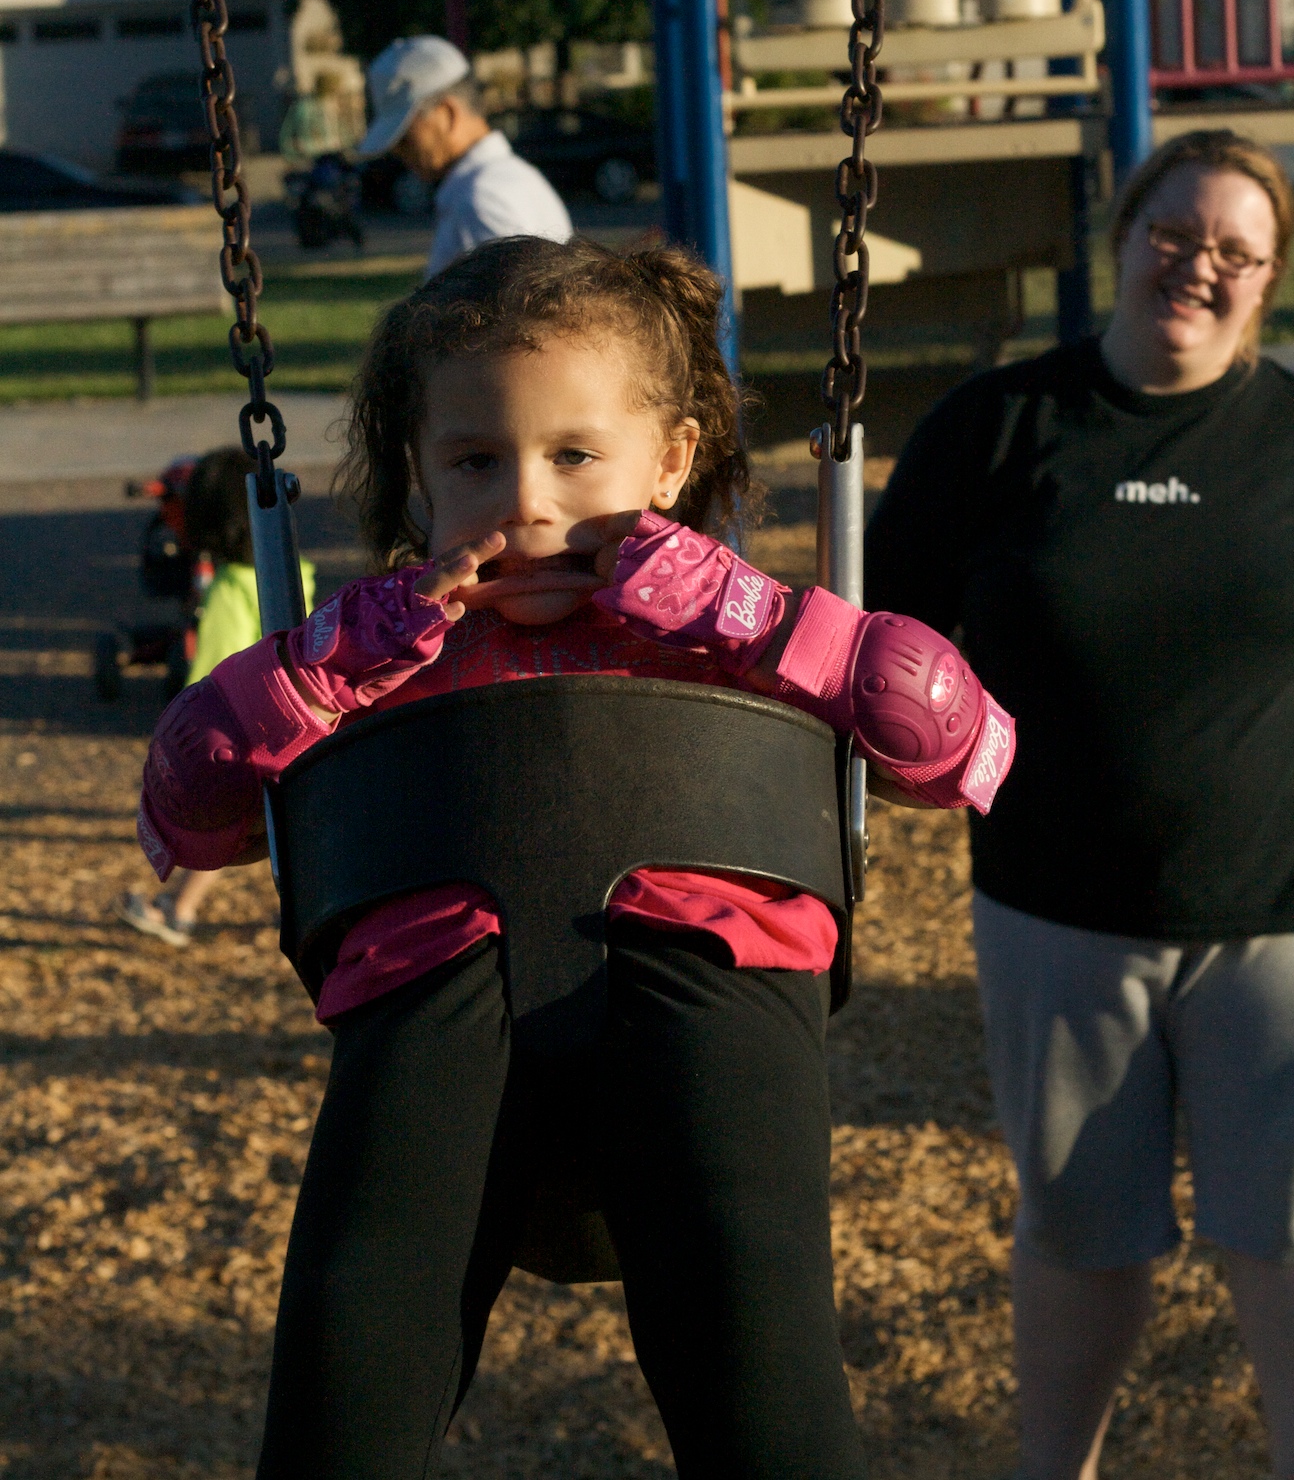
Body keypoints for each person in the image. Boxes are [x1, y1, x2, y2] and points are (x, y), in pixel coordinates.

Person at [133, 235, 1014, 1478]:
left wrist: (750, 615)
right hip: (435, 990)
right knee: (351, 1349)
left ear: (672, 459)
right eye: (476, 461)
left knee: (760, 1354)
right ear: (421, 478)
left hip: (705, 975)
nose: (528, 502)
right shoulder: (376, 660)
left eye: (574, 456)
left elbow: (957, 747)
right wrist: (338, 658)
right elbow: (187, 808)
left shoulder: (740, 637)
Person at [865, 127, 1294, 1480]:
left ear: (1266, 282)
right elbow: (883, 650)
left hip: (1274, 920)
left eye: (1234, 250)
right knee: (1076, 1231)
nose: (1196, 266)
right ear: (1118, 237)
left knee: (1281, 1233)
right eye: (1173, 233)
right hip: (1054, 913)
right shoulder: (996, 430)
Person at [118, 447, 315, 947]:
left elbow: (213, 682)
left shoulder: (230, 588)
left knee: (227, 832)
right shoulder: (296, 573)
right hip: (300, 720)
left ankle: (177, 911)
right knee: (288, 832)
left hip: (248, 734)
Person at [356, 35, 573, 275]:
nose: (397, 151)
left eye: (404, 136)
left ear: (447, 113)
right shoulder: (513, 177)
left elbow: (517, 309)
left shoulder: (481, 199)